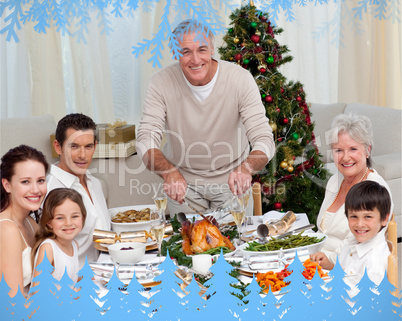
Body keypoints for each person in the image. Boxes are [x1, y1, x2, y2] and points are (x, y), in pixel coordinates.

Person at [136, 20, 275, 216]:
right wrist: (168, 172)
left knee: (237, 243)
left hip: (232, 182)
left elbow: (264, 139)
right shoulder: (160, 83)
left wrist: (246, 168)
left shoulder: (240, 79)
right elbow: (145, 140)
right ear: (176, 54)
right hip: (183, 186)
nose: (195, 59)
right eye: (185, 52)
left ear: (211, 49)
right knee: (186, 244)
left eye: (201, 49)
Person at [316, 113, 394, 263]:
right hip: (317, 257)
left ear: (367, 150)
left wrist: (324, 262)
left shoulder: (376, 189)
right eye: (338, 150)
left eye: (353, 149)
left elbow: (359, 247)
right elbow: (322, 231)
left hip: (344, 267)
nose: (345, 157)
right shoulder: (334, 181)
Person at [47, 113, 110, 267]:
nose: (82, 155)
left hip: (105, 271)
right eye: (73, 146)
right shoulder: (47, 189)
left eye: (88, 146)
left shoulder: (95, 183)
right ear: (58, 147)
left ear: (95, 146)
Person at [311, 180, 391, 293]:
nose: (359, 224)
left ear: (384, 219)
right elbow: (346, 273)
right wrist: (329, 266)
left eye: (367, 216)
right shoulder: (352, 240)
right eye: (354, 216)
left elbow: (367, 305)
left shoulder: (374, 263)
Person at [0, 145, 49, 297]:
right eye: (25, 182)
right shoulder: (7, 229)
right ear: (7, 185)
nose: (35, 190)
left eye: (40, 180)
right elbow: (13, 306)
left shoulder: (29, 221)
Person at [31, 188, 86, 289]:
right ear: (49, 222)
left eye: (74, 216)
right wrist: (75, 294)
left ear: (82, 218)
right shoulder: (48, 248)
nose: (68, 223)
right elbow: (38, 291)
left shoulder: (74, 245)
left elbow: (67, 277)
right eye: (60, 218)